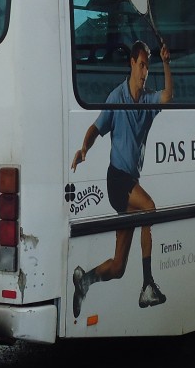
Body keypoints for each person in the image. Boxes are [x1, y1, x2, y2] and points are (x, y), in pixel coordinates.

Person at [70, 40, 172, 315]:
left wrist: (166, 62)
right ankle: (148, 285)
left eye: (148, 67)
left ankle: (85, 279)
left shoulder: (149, 100)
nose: (144, 72)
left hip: (128, 183)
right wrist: (84, 149)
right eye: (141, 65)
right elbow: (96, 127)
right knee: (149, 209)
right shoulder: (117, 97)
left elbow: (167, 97)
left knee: (118, 267)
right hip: (117, 180)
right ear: (131, 64)